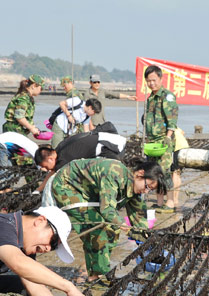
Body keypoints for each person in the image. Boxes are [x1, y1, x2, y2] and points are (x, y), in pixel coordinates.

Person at [45, 159, 166, 284]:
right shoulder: (115, 173)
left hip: (88, 191)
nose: (146, 192)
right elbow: (107, 210)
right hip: (68, 186)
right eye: (147, 187)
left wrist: (150, 242)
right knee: (99, 230)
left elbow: (140, 219)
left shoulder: (133, 187)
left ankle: (95, 272)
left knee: (112, 230)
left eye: (150, 190)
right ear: (140, 174)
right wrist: (126, 227)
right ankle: (98, 276)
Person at [34, 130, 127, 191]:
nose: (46, 170)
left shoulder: (63, 159)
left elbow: (53, 178)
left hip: (110, 148)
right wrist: (38, 190)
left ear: (50, 158)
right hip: (110, 138)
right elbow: (52, 173)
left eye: (45, 166)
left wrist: (39, 191)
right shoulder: (59, 149)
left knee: (115, 177)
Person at [144, 65, 179, 213]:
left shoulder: (167, 96)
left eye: (154, 80)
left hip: (164, 140)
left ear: (160, 78)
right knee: (154, 172)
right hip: (152, 142)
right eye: (148, 81)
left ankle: (170, 202)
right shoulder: (150, 98)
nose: (151, 83)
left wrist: (168, 137)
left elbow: (172, 119)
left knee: (165, 172)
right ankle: (159, 202)